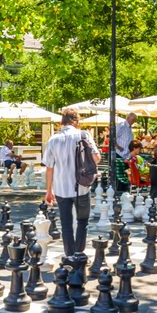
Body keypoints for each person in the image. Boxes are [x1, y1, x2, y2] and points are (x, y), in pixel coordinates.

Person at [43, 109, 101, 257]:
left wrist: (49, 191)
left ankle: (69, 255)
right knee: (83, 221)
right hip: (81, 186)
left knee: (66, 224)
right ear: (76, 121)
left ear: (62, 121)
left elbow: (49, 168)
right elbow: (97, 158)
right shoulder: (84, 135)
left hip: (61, 188)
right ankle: (79, 253)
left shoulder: (53, 139)